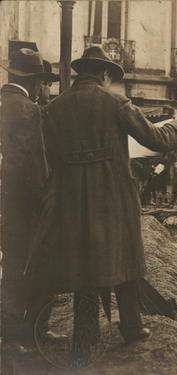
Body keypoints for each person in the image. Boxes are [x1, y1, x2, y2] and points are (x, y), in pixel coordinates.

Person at [34, 47, 177, 355]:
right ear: (105, 74)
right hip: (113, 195)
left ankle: (86, 334)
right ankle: (131, 326)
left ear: (82, 73)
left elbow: (50, 157)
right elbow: (155, 140)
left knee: (84, 262)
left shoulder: (55, 107)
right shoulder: (118, 103)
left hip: (71, 197)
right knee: (126, 254)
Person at [0, 48, 60, 350]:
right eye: (42, 82)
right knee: (32, 266)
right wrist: (45, 200)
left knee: (11, 266)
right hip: (26, 206)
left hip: (6, 204)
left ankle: (14, 335)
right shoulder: (27, 109)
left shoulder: (2, 103)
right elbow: (32, 164)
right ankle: (23, 335)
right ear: (35, 81)